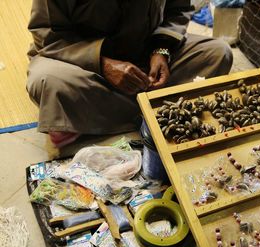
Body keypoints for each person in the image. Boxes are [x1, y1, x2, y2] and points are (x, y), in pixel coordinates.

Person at [26, 0, 233, 147]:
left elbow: (178, 9)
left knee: (218, 54)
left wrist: (161, 50)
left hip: (145, 53)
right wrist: (103, 64)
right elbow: (47, 35)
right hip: (86, 65)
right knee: (47, 81)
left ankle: (82, 117)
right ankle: (155, 106)